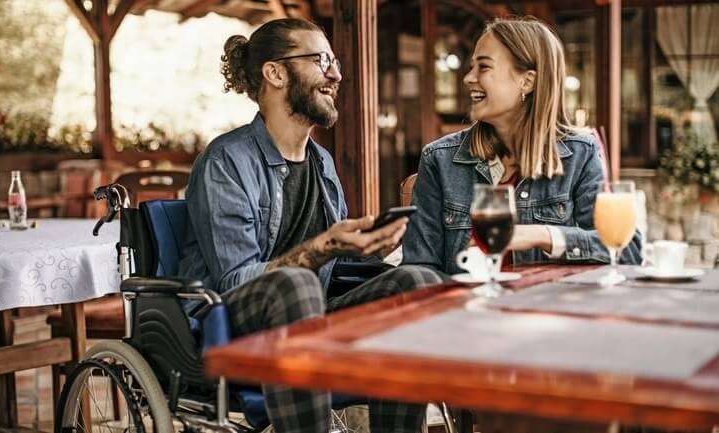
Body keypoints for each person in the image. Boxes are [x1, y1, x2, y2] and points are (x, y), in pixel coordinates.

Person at [178, 18, 441, 433]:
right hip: (229, 319)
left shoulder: (321, 163)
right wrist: (323, 247)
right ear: (276, 72)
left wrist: (368, 247)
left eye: (334, 61)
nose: (335, 73)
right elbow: (233, 280)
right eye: (321, 60)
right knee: (295, 284)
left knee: (417, 281)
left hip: (307, 314)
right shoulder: (226, 161)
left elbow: (331, 265)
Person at [402, 16, 642, 275]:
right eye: (472, 67)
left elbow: (626, 251)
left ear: (527, 81)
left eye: (483, 67)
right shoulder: (439, 159)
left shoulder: (580, 155)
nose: (468, 78)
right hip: (467, 311)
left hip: (548, 311)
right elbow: (419, 269)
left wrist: (539, 235)